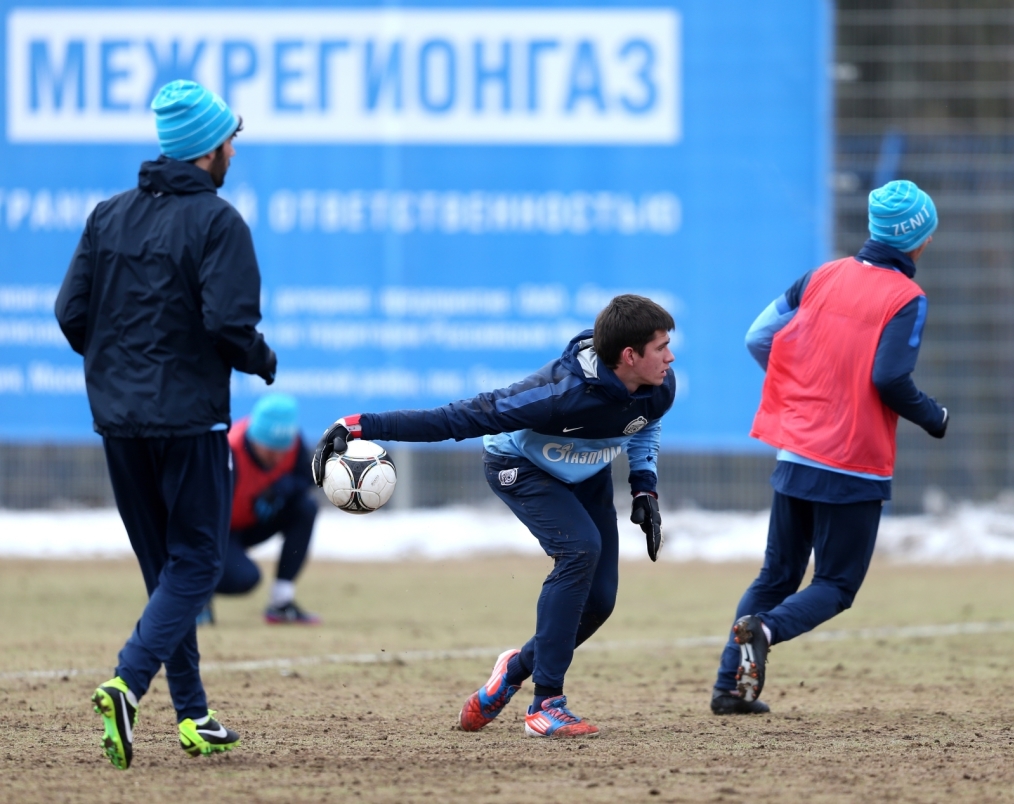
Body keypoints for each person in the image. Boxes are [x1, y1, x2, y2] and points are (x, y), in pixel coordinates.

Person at [312, 294, 675, 738]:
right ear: (629, 355)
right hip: (520, 467)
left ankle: (513, 670)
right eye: (661, 347)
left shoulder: (660, 385)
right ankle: (546, 706)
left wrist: (644, 487)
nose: (670, 357)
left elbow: (645, 423)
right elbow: (455, 419)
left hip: (587, 472)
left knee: (599, 602)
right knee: (579, 549)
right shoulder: (555, 395)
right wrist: (358, 424)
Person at [54, 79, 276, 769]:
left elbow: (70, 313)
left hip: (119, 423)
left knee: (165, 570)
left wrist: (115, 370)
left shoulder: (107, 216)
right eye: (230, 139)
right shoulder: (219, 222)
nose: (234, 150)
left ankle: (193, 714)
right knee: (199, 562)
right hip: (189, 421)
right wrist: (262, 360)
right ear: (209, 149)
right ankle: (127, 682)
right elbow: (228, 325)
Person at [710, 180, 949, 716]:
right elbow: (889, 379)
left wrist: (803, 389)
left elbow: (757, 337)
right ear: (918, 239)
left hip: (796, 450)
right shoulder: (906, 298)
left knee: (776, 576)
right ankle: (765, 630)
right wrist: (933, 416)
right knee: (836, 584)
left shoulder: (821, 276)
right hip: (851, 461)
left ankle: (730, 689)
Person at [202, 393, 320, 625]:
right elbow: (200, 512)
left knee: (306, 508)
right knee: (246, 578)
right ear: (254, 439)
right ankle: (193, 593)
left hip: (255, 521)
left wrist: (284, 486)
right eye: (269, 450)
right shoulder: (229, 451)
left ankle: (281, 602)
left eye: (282, 451)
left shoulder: (292, 441)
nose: (277, 457)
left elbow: (307, 478)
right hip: (218, 534)